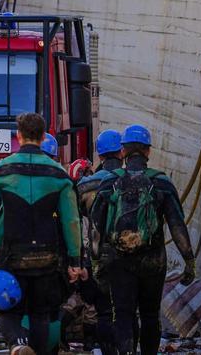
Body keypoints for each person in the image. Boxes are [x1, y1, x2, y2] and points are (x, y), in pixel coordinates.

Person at [0, 113, 86, 355]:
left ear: (19, 136)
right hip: (48, 258)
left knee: (8, 310)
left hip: (13, 256)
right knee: (41, 313)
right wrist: (75, 261)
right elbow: (71, 221)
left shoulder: (1, 170)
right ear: (44, 136)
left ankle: (17, 344)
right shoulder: (59, 174)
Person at [89, 125, 196, 355]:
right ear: (148, 151)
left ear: (123, 152)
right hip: (153, 260)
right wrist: (189, 260)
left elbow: (96, 228)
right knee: (149, 314)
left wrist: (97, 263)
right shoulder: (162, 183)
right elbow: (177, 225)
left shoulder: (110, 183)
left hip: (119, 261)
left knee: (123, 313)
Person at [73, 129, 124, 355]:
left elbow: (75, 222)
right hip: (130, 255)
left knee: (103, 311)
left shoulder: (86, 185)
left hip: (97, 255)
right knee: (126, 310)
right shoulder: (133, 179)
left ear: (100, 155)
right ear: (121, 153)